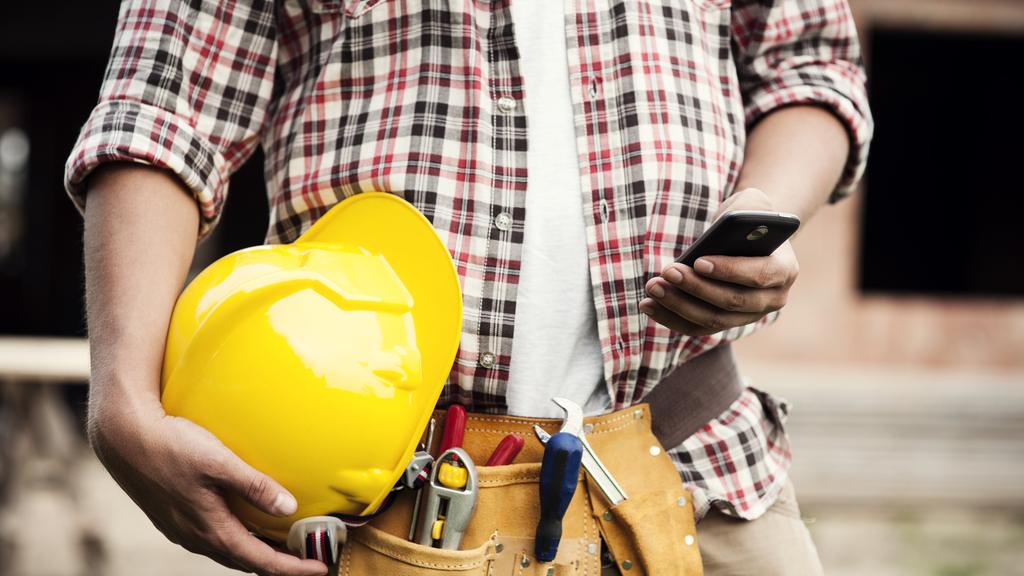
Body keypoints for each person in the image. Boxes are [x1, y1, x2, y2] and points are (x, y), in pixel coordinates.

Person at [66, 0, 872, 574]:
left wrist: (768, 206)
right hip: (385, 504)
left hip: (698, 470)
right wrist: (123, 400)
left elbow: (807, 64)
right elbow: (165, 109)